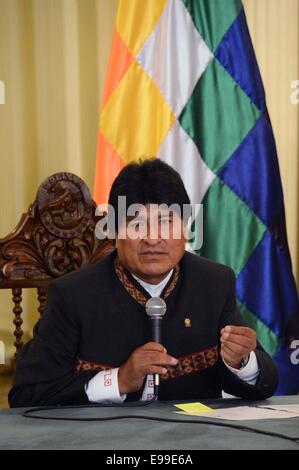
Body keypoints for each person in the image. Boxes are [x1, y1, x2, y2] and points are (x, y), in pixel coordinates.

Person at [9, 159, 278, 407]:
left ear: (186, 229)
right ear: (113, 231)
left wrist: (241, 362)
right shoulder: (72, 295)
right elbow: (26, 394)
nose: (152, 239)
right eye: (136, 224)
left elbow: (265, 382)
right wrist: (118, 380)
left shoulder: (214, 283)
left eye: (165, 222)